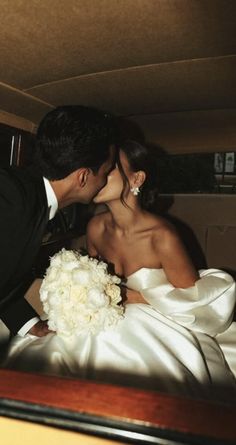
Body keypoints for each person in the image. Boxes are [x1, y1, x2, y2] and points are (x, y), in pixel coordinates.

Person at [1, 140, 236, 402]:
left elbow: (195, 302)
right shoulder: (96, 228)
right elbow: (94, 281)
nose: (99, 171)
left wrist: (132, 297)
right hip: (103, 317)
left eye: (111, 167)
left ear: (136, 179)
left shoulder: (161, 235)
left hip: (155, 321)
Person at [0, 105, 118, 338]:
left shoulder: (29, 197)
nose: (105, 180)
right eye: (105, 172)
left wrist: (28, 324)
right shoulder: (11, 198)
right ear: (83, 176)